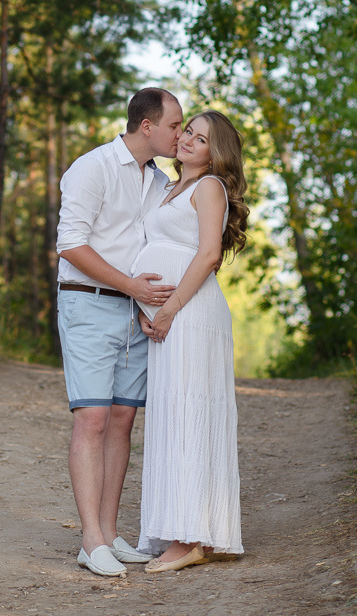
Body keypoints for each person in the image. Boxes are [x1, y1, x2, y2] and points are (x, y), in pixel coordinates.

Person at [55, 86, 184, 579]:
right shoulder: (93, 168)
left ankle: (109, 534)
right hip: (88, 305)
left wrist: (153, 303)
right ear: (146, 126)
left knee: (123, 423)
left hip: (137, 314)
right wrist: (130, 285)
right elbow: (71, 245)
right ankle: (90, 541)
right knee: (91, 419)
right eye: (174, 126)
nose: (180, 134)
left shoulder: (158, 182)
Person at [131, 109, 249, 572]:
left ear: (214, 153)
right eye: (187, 133)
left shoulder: (209, 188)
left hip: (191, 314)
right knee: (171, 414)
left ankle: (190, 538)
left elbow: (209, 254)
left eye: (200, 140)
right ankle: (183, 529)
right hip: (169, 316)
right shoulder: (168, 188)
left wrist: (169, 309)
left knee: (190, 412)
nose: (187, 142)